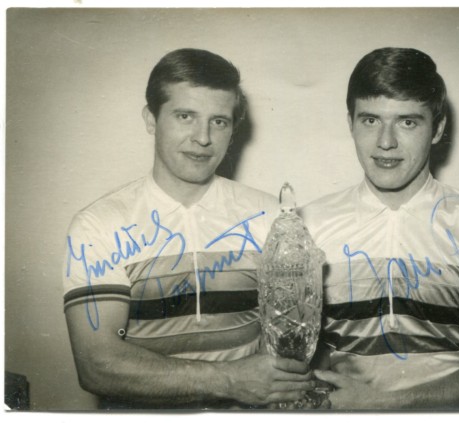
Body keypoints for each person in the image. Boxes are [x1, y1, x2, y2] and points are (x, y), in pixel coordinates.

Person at [63, 48, 313, 409]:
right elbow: (97, 366)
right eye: (185, 116)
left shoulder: (272, 215)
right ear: (151, 119)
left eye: (219, 121)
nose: (203, 138)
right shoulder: (99, 225)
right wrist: (229, 380)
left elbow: (291, 341)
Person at [302, 47, 459, 409]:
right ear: (350, 123)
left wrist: (388, 405)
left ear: (437, 128)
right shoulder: (306, 225)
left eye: (407, 122)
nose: (386, 142)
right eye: (370, 120)